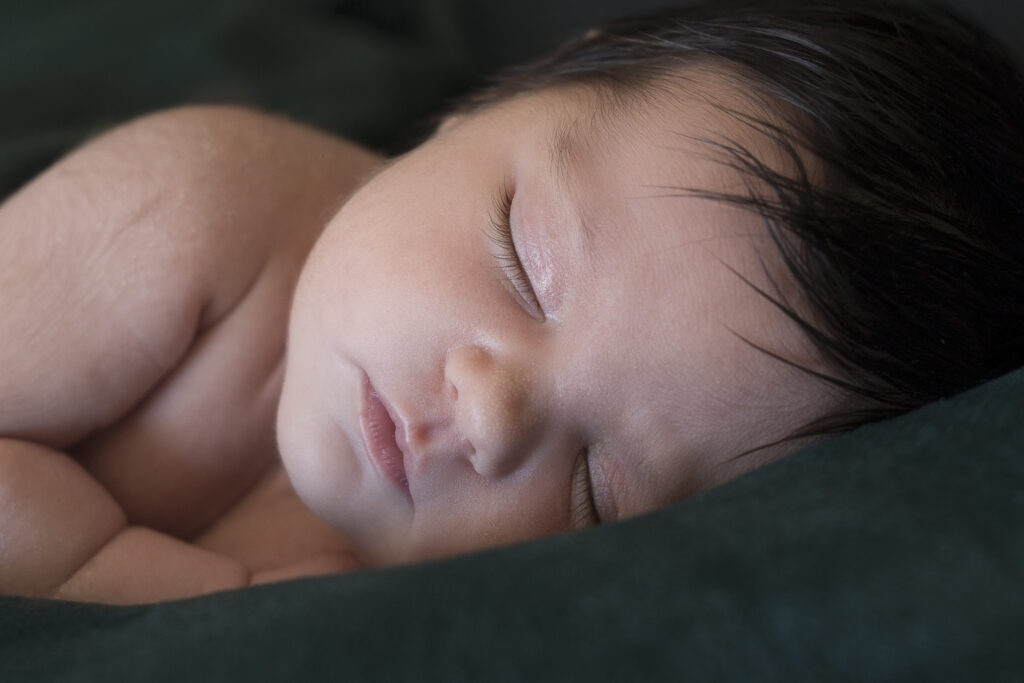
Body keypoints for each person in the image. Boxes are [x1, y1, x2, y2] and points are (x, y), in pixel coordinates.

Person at [1, 0, 1021, 604]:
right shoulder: (193, 205)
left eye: (598, 486)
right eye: (523, 262)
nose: (489, 413)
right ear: (493, 101)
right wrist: (106, 571)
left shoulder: (437, 601)